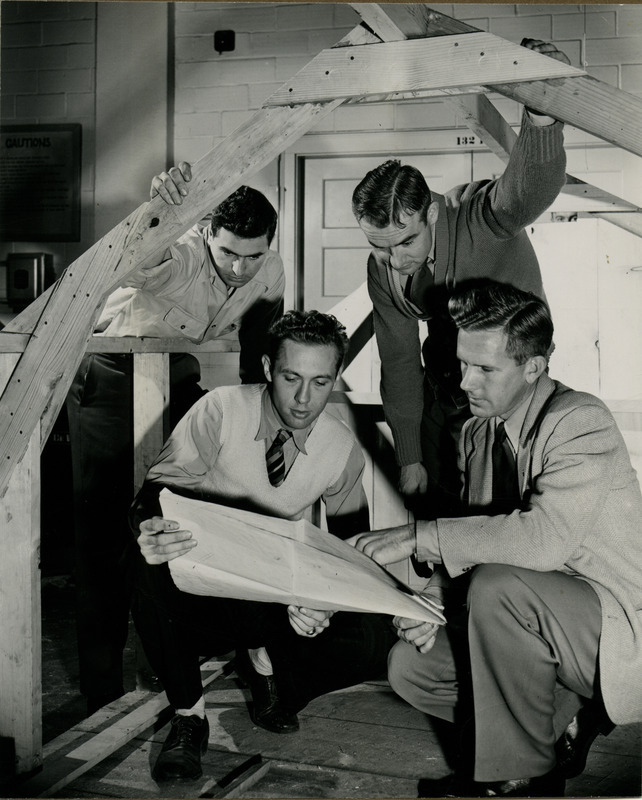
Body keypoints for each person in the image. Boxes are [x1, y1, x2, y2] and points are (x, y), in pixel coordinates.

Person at [349, 281, 642, 797]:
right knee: (411, 668)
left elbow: (541, 543)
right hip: (529, 619)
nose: (465, 382)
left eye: (485, 369)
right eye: (464, 364)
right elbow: (481, 551)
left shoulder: (580, 420)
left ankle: (521, 780)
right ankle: (551, 727)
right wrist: (427, 607)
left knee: (499, 588)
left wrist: (418, 535)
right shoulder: (475, 435)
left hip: (613, 629)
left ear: (533, 367)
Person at [129, 309, 395, 782]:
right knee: (150, 564)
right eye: (292, 377)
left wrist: (322, 604)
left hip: (271, 593)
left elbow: (349, 552)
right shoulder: (220, 409)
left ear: (336, 377)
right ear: (270, 368)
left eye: (320, 381)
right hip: (204, 584)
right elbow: (155, 495)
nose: (303, 398)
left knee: (375, 640)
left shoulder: (341, 447)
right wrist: (150, 529)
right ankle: (189, 716)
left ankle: (263, 661)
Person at [66, 164, 285, 715]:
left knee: (187, 522)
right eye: (228, 252)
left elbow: (260, 357)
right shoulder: (182, 254)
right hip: (111, 374)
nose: (240, 267)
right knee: (104, 539)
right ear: (208, 233)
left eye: (252, 254)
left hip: (177, 373)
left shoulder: (269, 269)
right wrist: (159, 212)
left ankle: (170, 658)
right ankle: (101, 690)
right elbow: (145, 261)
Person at [351, 39, 570, 522]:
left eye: (405, 242)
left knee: (509, 514)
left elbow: (525, 192)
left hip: (513, 386)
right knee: (438, 509)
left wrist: (541, 116)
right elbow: (400, 358)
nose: (393, 258)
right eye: (378, 245)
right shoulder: (383, 271)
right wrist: (408, 454)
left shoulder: (479, 217)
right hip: (447, 390)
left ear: (430, 212)